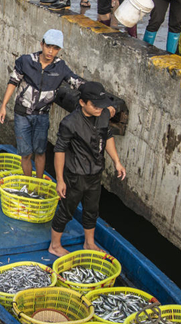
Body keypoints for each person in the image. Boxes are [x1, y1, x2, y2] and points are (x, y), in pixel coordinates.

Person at [0, 30, 114, 180]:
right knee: (25, 153)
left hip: (42, 116)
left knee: (40, 152)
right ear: (42, 44)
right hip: (22, 114)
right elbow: (13, 81)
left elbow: (78, 83)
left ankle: (38, 184)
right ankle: (28, 183)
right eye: (48, 47)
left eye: (55, 48)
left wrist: (102, 101)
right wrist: (3, 106)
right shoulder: (26, 61)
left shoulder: (60, 67)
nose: (51, 52)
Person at [48, 81, 126, 257]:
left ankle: (89, 243)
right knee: (67, 209)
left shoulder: (104, 114)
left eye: (101, 104)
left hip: (95, 173)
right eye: (95, 105)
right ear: (82, 103)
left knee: (92, 209)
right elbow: (59, 150)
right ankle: (54, 245)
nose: (99, 108)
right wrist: (60, 180)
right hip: (75, 174)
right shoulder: (70, 123)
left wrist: (117, 161)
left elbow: (107, 137)